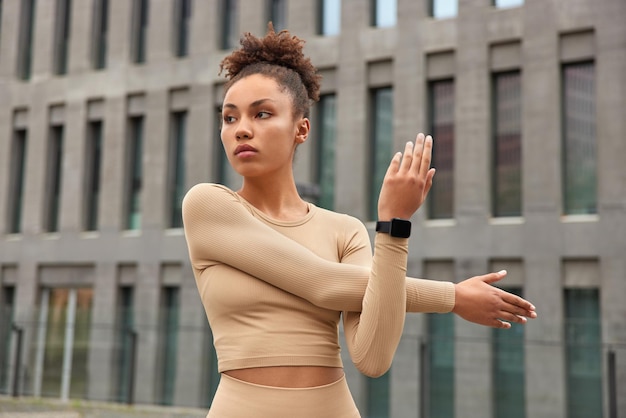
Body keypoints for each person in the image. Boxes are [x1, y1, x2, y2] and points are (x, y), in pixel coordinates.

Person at [182, 24, 537, 418]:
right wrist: (452, 297)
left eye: (262, 113)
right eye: (229, 119)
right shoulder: (207, 206)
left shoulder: (344, 230)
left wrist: (394, 226)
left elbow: (372, 357)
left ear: (301, 129)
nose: (241, 129)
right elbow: (322, 284)